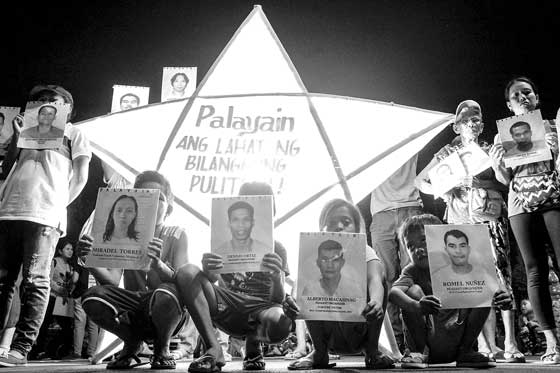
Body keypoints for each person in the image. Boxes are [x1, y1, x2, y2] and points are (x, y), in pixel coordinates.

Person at [416, 99, 523, 363]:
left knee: (500, 277)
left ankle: (510, 341)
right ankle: (487, 345)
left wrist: (486, 176)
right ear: (456, 126)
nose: (472, 122)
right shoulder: (446, 153)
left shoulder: (490, 149)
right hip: (460, 221)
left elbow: (505, 183)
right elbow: (421, 180)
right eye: (466, 119)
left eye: (476, 118)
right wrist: (442, 187)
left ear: (482, 124)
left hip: (489, 220)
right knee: (473, 282)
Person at [0, 84, 90, 367]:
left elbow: (81, 176)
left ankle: (21, 347)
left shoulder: (74, 132)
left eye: (54, 100)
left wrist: (58, 206)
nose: (46, 103)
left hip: (45, 213)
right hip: (10, 210)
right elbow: (7, 167)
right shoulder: (26, 130)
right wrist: (16, 137)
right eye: (41, 100)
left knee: (35, 279)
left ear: (67, 108)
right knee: (4, 282)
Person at [175, 181, 295, 372]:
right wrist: (208, 270)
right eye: (237, 219)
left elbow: (277, 300)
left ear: (260, 218)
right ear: (230, 220)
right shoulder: (221, 245)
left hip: (261, 308)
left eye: (247, 219)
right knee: (186, 272)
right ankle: (214, 348)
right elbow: (212, 282)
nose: (241, 225)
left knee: (282, 323)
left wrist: (275, 277)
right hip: (228, 304)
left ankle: (253, 346)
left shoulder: (276, 247)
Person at [79, 170, 189, 369]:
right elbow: (111, 281)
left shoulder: (176, 234)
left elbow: (183, 280)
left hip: (168, 309)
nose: (153, 203)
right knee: (92, 297)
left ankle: (162, 347)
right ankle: (132, 341)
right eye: (146, 197)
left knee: (166, 292)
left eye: (159, 198)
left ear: (169, 207)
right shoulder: (123, 236)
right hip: (133, 307)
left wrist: (158, 264)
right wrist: (89, 260)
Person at [490, 76, 560, 363]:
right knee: (535, 271)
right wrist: (496, 164)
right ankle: (551, 343)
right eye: (516, 95)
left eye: (527, 92)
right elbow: (505, 180)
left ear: (536, 97)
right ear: (509, 104)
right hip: (520, 203)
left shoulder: (552, 127)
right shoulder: (500, 137)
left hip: (553, 198)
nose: (522, 97)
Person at [390, 214, 512, 369]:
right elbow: (394, 293)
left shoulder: (463, 264)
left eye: (423, 240)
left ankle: (466, 351)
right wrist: (417, 306)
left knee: (481, 288)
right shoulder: (412, 271)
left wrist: (502, 297)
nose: (418, 249)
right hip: (426, 346)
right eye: (411, 246)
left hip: (457, 343)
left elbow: (492, 285)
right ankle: (417, 353)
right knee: (412, 291)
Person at [288, 198, 393, 370]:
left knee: (380, 279)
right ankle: (319, 352)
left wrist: (375, 301)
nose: (338, 226)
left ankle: (372, 351)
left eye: (346, 222)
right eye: (331, 222)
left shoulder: (366, 252)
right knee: (306, 281)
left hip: (360, 330)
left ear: (356, 227)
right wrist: (293, 303)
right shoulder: (312, 257)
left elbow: (375, 278)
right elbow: (298, 289)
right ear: (321, 228)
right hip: (328, 335)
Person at [369, 157, 424, 351]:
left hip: (410, 205)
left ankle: (415, 339)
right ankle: (395, 338)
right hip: (381, 211)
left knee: (412, 275)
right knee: (384, 276)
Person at [31, 239, 79, 360]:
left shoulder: (71, 265)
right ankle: (39, 350)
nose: (70, 251)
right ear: (60, 250)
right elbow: (48, 278)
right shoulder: (54, 262)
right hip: (52, 298)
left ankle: (54, 350)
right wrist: (59, 289)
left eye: (72, 249)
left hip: (64, 301)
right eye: (67, 249)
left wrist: (69, 290)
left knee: (67, 328)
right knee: (44, 325)